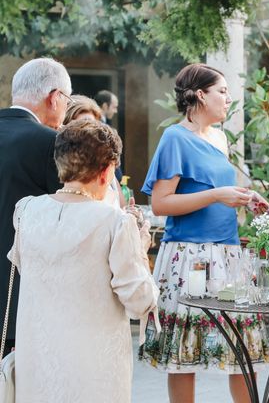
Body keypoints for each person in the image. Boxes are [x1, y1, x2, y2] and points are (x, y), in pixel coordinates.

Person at [138, 63, 269, 403]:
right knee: (184, 357)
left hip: (227, 253)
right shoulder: (174, 138)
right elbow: (161, 203)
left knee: (244, 350)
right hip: (189, 255)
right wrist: (215, 195)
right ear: (200, 95)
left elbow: (217, 191)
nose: (229, 98)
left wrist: (245, 197)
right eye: (222, 91)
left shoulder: (220, 138)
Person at [8, 119, 159, 402]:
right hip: (93, 370)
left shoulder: (26, 210)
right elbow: (140, 300)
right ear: (106, 171)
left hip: (38, 360)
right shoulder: (115, 222)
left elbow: (30, 271)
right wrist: (140, 248)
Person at [0, 57, 70, 358]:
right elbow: (68, 216)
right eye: (67, 100)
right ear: (54, 97)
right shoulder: (50, 142)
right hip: (19, 295)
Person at [63, 95, 124, 208]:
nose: (88, 133)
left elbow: (121, 206)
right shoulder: (63, 169)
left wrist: (131, 216)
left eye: (92, 126)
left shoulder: (105, 164)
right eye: (81, 126)